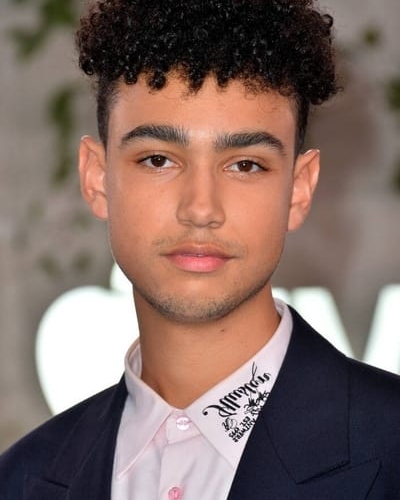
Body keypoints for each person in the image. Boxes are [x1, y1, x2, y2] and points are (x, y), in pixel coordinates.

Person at [1, 0, 400, 498]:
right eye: (158, 160)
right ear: (97, 178)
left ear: (299, 189)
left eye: (245, 165)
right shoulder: (18, 481)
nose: (201, 208)